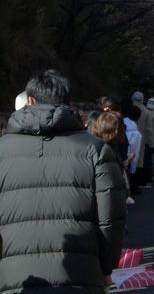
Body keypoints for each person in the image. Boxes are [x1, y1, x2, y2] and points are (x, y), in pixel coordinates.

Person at [0, 69, 126, 292]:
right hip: (82, 275)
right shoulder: (96, 150)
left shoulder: (2, 150)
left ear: (30, 100)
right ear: (68, 102)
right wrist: (107, 268)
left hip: (13, 278)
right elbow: (110, 219)